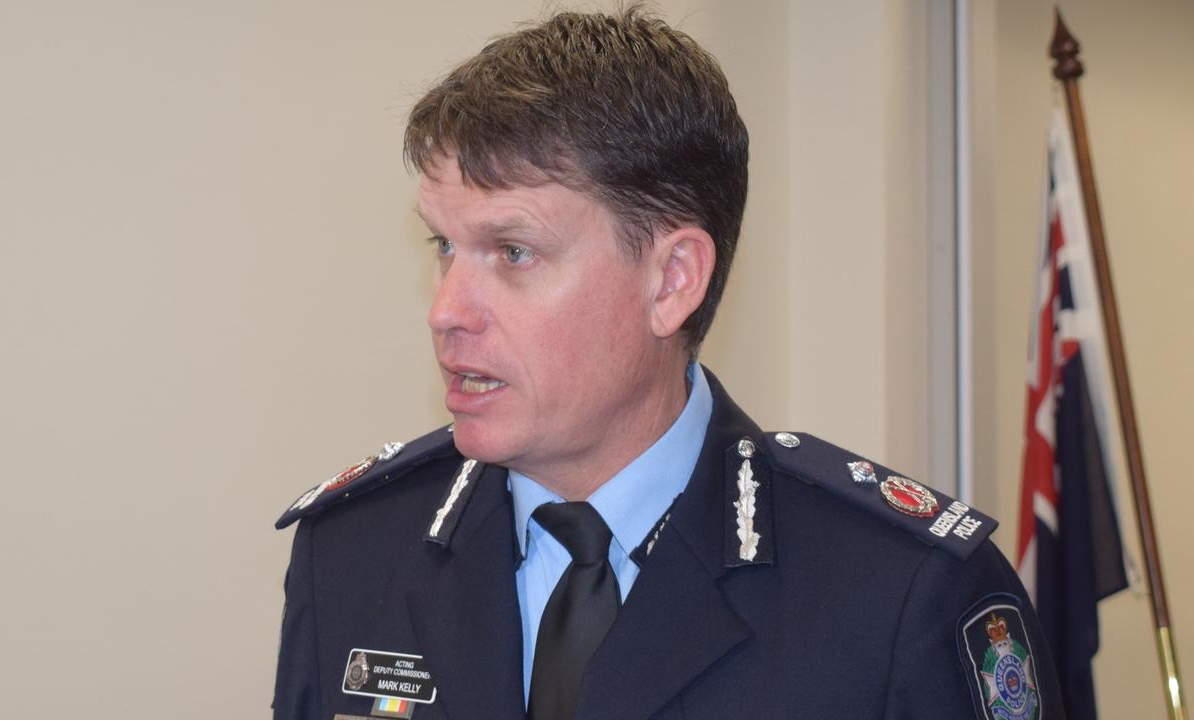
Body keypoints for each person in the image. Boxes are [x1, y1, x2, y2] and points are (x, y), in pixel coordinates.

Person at [273, 7, 1063, 720]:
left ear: (672, 279)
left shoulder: (900, 595)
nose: (445, 310)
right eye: (444, 245)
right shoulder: (353, 550)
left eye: (512, 252)